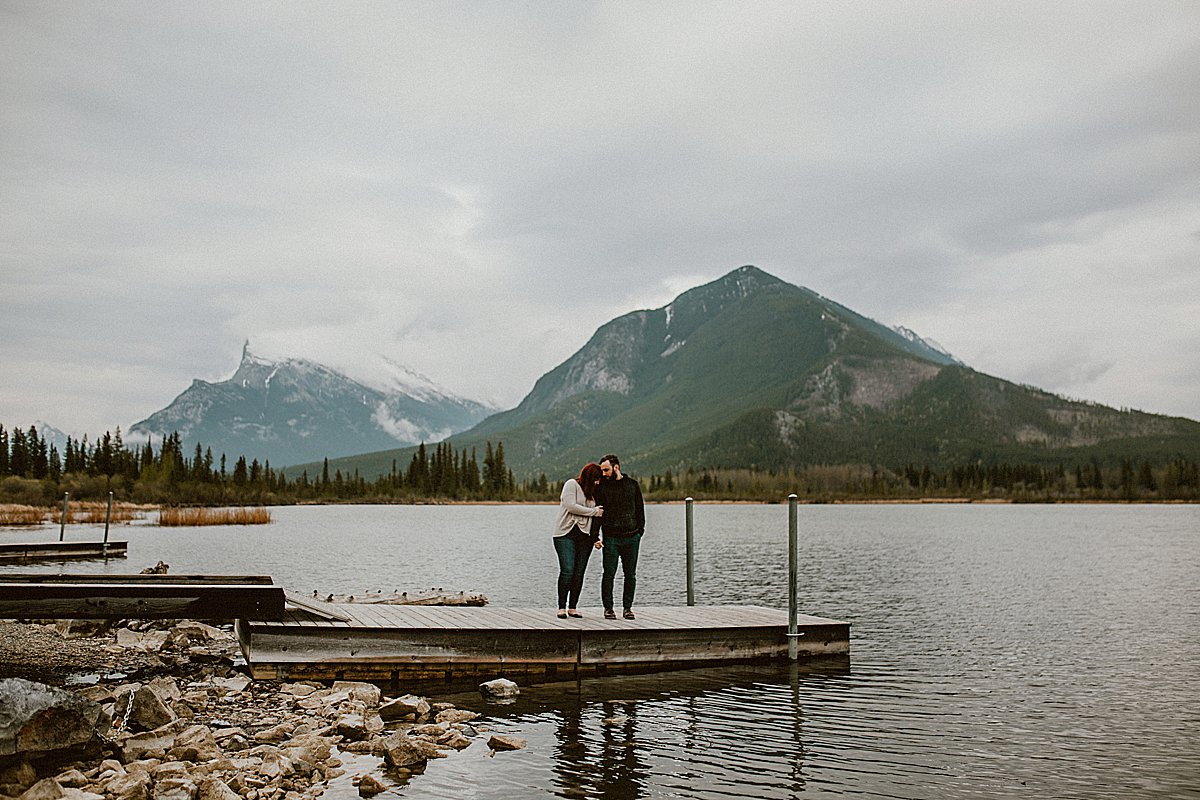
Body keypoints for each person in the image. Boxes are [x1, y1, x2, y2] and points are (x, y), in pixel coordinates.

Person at [595, 453, 645, 620]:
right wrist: (596, 535)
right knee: (609, 573)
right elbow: (598, 512)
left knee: (630, 574)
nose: (604, 474)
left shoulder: (632, 485)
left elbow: (640, 508)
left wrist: (640, 531)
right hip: (611, 538)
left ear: (616, 467)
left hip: (632, 537)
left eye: (606, 470)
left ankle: (627, 608)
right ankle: (608, 608)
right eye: (602, 471)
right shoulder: (602, 487)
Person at [552, 462, 604, 619]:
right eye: (595, 479)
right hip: (564, 534)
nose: (598, 482)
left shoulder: (594, 492)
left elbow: (599, 516)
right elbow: (571, 506)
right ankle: (561, 607)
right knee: (567, 570)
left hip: (585, 537)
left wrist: (595, 537)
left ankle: (573, 607)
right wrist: (593, 512)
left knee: (579, 572)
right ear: (588, 477)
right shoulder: (571, 485)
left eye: (599, 479)